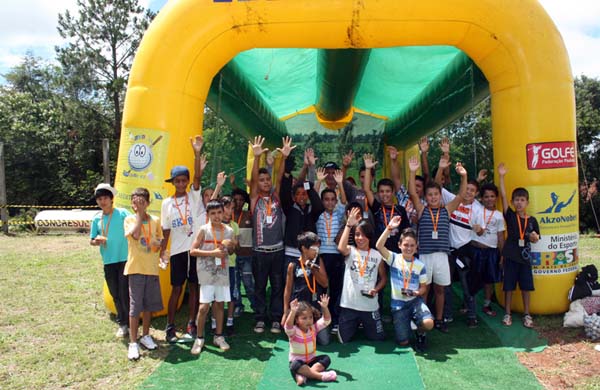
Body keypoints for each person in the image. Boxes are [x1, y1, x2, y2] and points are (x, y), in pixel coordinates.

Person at [407, 155, 467, 333]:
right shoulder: (422, 209)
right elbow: (412, 192)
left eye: (436, 194)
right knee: (424, 290)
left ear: (441, 196)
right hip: (424, 255)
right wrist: (412, 172)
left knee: (440, 289)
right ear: (425, 196)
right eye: (430, 195)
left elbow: (461, 195)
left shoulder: (446, 210)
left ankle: (439, 319)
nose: (433, 197)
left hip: (442, 255)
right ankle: (423, 317)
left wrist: (464, 176)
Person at [160, 136, 207, 343]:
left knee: (194, 287)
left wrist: (196, 153)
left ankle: (192, 323)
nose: (180, 184)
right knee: (177, 288)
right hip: (178, 251)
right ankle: (170, 326)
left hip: (195, 250)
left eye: (183, 180)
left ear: (187, 182)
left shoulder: (194, 196)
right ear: (172, 182)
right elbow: (166, 230)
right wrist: (163, 251)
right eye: (177, 181)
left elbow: (198, 178)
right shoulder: (167, 204)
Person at [248, 135, 296, 334]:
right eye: (262, 180)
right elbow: (251, 181)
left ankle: (276, 318)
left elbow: (279, 176)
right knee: (260, 286)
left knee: (277, 285)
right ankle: (260, 317)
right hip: (259, 251)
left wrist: (283, 158)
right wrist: (257, 157)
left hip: (278, 250)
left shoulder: (275, 197)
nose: (266, 182)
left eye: (267, 179)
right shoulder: (254, 199)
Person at [436, 154, 484, 328]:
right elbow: (437, 187)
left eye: (472, 190)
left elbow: (481, 231)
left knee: (467, 285)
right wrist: (443, 167)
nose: (469, 193)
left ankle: (472, 315)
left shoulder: (478, 209)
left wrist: (480, 230)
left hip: (464, 251)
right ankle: (447, 315)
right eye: (467, 189)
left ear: (476, 193)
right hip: (447, 250)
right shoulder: (452, 199)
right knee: (445, 285)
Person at [376, 224, 433, 352]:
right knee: (403, 342)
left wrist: (417, 292)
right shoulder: (394, 258)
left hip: (414, 301)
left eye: (412, 245)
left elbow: (424, 287)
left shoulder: (420, 265)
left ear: (416, 247)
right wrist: (389, 228)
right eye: (406, 245)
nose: (409, 248)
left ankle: (420, 332)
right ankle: (408, 323)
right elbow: (379, 246)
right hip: (398, 305)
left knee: (429, 323)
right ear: (399, 245)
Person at [498, 163, 540, 328]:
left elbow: (536, 238)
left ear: (527, 202)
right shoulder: (510, 216)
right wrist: (501, 176)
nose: (520, 203)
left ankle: (527, 314)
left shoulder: (532, 220)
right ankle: (507, 314)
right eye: (517, 200)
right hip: (510, 257)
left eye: (523, 200)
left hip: (525, 259)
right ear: (513, 202)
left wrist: (534, 236)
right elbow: (502, 195)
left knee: (526, 288)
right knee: (508, 286)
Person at [190, 200, 235, 354]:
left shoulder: (228, 230)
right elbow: (193, 251)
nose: (216, 216)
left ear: (223, 213)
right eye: (213, 213)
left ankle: (219, 336)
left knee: (220, 305)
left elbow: (232, 250)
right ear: (208, 215)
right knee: (204, 307)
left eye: (219, 212)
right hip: (206, 272)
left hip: (222, 272)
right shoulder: (203, 230)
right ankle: (199, 338)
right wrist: (212, 253)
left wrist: (231, 247)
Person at [123, 188, 164, 360]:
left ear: (148, 203)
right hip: (136, 269)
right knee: (135, 306)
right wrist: (139, 215)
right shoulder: (130, 219)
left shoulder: (155, 220)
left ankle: (146, 335)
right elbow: (135, 234)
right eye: (134, 202)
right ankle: (133, 342)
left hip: (151, 269)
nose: (137, 205)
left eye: (141, 202)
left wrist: (155, 244)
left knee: (148, 306)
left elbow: (159, 241)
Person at [336, 207, 387, 343]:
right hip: (349, 305)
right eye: (357, 234)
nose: (360, 238)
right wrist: (349, 225)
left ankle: (362, 324)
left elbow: (383, 278)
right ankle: (355, 324)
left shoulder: (377, 255)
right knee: (343, 340)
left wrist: (376, 289)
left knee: (378, 338)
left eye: (364, 235)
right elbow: (341, 247)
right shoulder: (351, 251)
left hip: (369, 306)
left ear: (370, 237)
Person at [90, 183, 131, 338]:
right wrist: (97, 240)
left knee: (124, 290)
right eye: (99, 199)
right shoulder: (96, 219)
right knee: (115, 293)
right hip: (108, 261)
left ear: (112, 199)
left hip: (125, 259)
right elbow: (91, 240)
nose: (103, 201)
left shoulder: (122, 213)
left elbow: (134, 227)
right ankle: (123, 323)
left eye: (105, 198)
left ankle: (128, 321)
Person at [283, 232, 330, 345]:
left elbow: (325, 283)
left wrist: (313, 269)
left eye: (318, 248)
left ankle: (312, 331)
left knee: (324, 341)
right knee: (298, 339)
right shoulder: (293, 265)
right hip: (300, 309)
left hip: (315, 309)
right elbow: (288, 289)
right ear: (304, 248)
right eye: (314, 248)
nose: (317, 251)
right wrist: (285, 313)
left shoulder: (318, 261)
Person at [315, 169, 347, 334]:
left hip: (336, 255)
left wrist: (340, 183)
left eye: (332, 200)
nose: (329, 202)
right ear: (322, 201)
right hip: (321, 255)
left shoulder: (339, 212)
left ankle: (334, 319)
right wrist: (319, 181)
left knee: (336, 288)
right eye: (326, 200)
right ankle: (321, 318)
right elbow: (314, 197)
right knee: (321, 288)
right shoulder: (318, 213)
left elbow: (344, 200)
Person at [362, 153, 411, 251]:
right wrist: (368, 169)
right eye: (381, 191)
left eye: (388, 191)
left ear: (393, 192)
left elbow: (406, 231)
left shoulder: (400, 209)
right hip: (380, 249)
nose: (385, 194)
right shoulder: (377, 207)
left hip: (397, 251)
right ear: (378, 193)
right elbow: (367, 189)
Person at [284, 296, 337, 386]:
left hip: (311, 361)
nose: (308, 321)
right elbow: (287, 327)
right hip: (299, 362)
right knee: (295, 365)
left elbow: (327, 320)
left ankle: (305, 375)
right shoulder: (294, 332)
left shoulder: (314, 328)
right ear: (296, 320)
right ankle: (320, 376)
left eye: (310, 317)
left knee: (326, 358)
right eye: (304, 318)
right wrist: (292, 312)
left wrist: (325, 307)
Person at [471, 183, 506, 317]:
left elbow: (500, 236)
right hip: (476, 249)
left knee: (489, 279)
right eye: (486, 197)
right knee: (473, 277)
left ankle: (487, 304)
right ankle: (468, 304)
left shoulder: (498, 215)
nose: (489, 199)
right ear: (482, 199)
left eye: (492, 196)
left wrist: (502, 255)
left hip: (491, 251)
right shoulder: (477, 210)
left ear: (496, 198)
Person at [231, 187, 257, 316]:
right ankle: (238, 306)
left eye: (241, 200)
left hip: (247, 256)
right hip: (232, 256)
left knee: (248, 283)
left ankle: (255, 305)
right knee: (235, 284)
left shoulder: (249, 215)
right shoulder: (227, 216)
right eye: (235, 200)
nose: (238, 202)